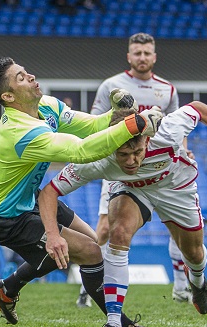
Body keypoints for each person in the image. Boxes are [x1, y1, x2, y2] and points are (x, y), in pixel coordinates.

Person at [39, 100, 207, 327]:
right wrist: (52, 234)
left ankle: (197, 281)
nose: (132, 161)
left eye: (137, 152)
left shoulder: (167, 130)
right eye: (123, 155)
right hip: (133, 190)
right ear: (111, 146)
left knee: (194, 254)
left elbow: (199, 107)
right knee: (119, 232)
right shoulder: (98, 157)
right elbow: (50, 191)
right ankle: (114, 322)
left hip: (176, 187)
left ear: (147, 139)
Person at [0, 57, 162, 327]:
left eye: (27, 72)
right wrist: (134, 125)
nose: (32, 76)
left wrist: (118, 115)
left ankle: (5, 289)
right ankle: (120, 324)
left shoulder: (46, 106)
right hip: (2, 216)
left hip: (28, 199)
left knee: (83, 243)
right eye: (21, 78)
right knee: (88, 252)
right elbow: (82, 151)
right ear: (8, 96)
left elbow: (91, 127)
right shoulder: (20, 133)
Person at [83, 32, 192, 308]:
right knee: (106, 228)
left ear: (154, 57)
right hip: (123, 167)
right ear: (129, 56)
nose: (142, 58)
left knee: (177, 227)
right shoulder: (112, 86)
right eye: (137, 53)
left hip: (159, 168)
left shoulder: (167, 90)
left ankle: (181, 286)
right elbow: (95, 123)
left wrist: (184, 149)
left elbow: (177, 127)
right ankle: (91, 284)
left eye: (147, 53)